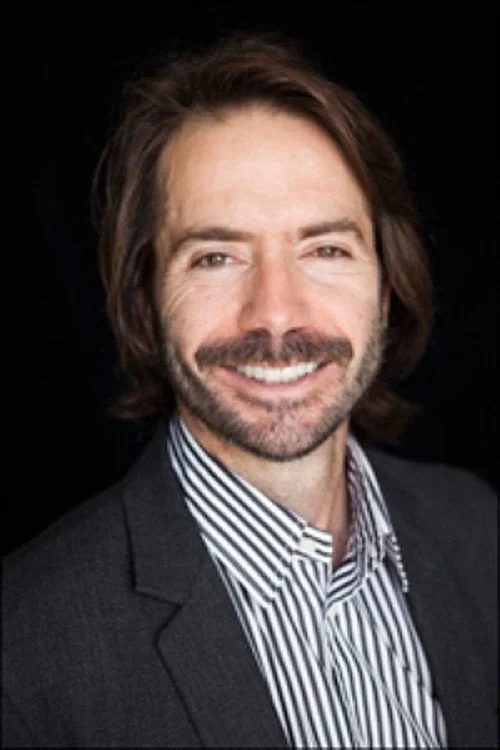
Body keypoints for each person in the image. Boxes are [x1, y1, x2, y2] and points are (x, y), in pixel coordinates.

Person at [3, 33, 497, 749]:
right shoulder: (23, 650)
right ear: (145, 302)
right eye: (217, 257)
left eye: (325, 249)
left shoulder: (478, 530)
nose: (276, 314)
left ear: (387, 288)